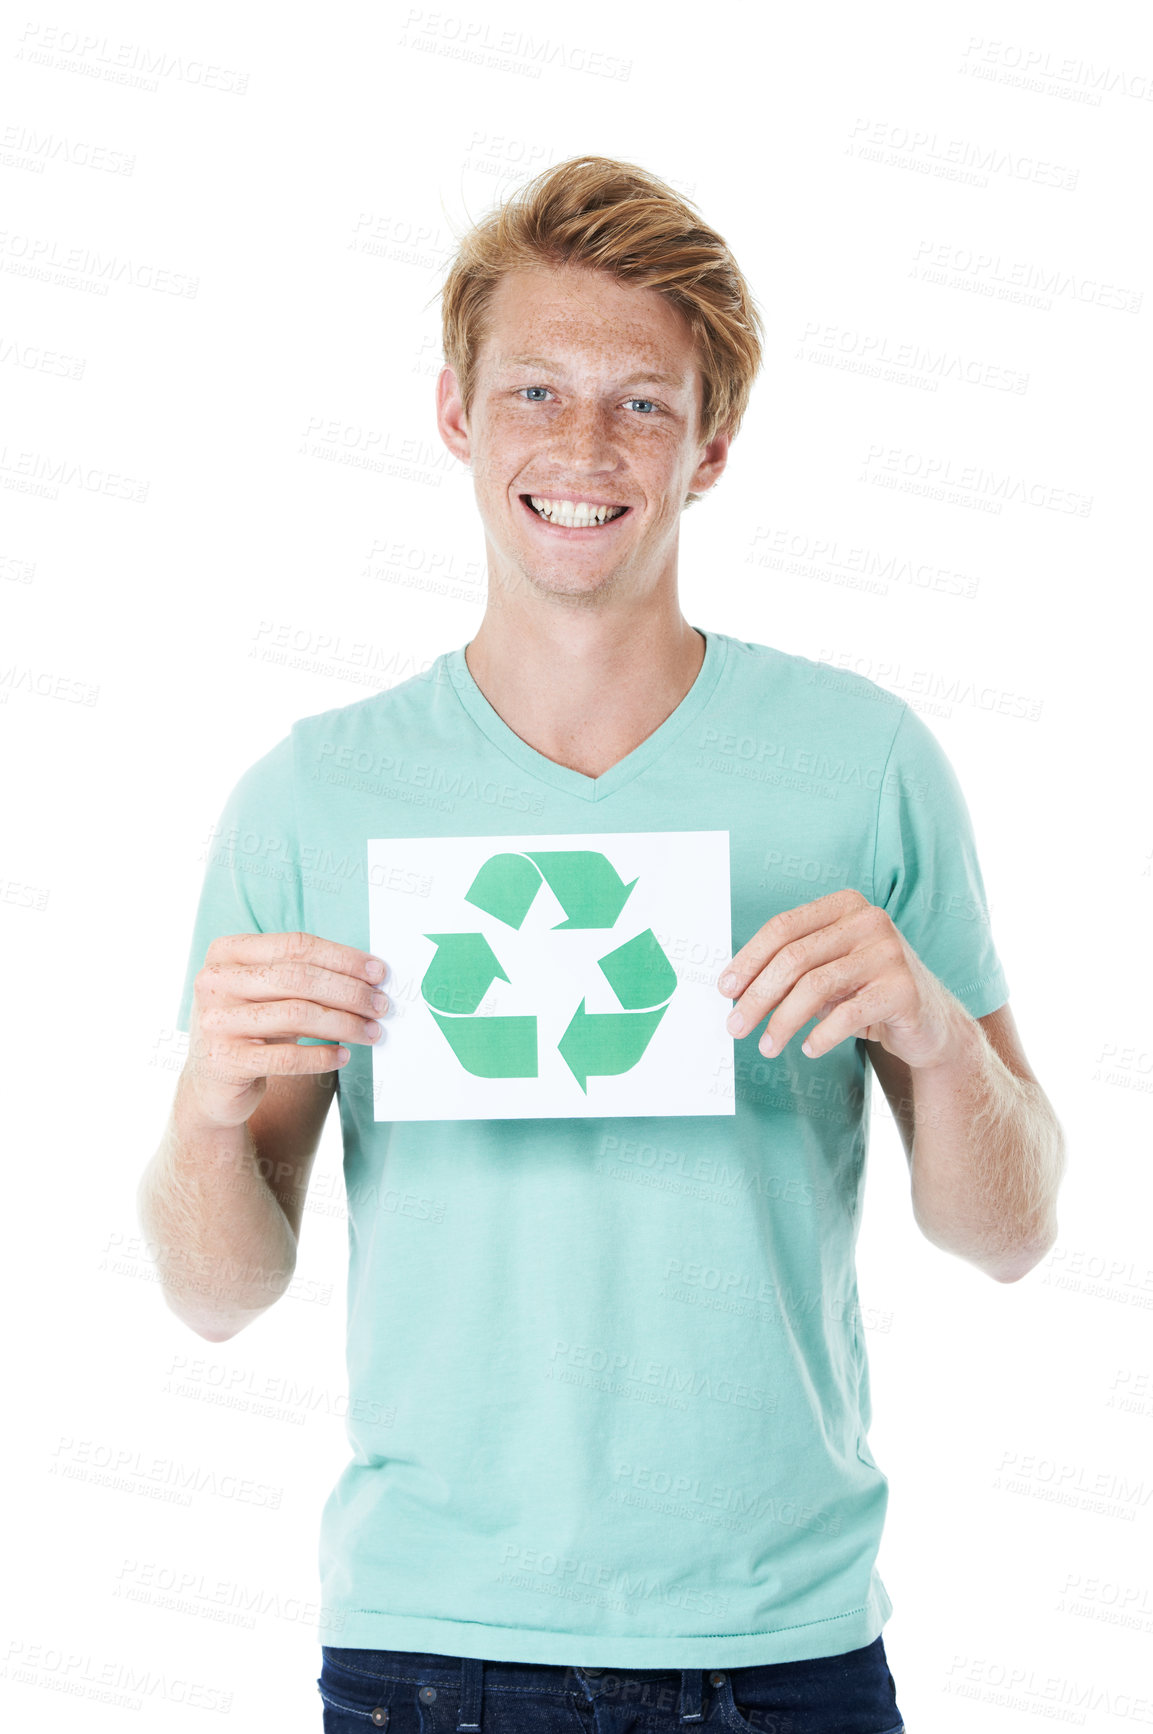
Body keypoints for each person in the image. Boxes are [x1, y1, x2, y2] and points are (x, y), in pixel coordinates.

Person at [138, 156, 1066, 1734]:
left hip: (786, 1643)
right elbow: (219, 1290)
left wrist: (926, 1024)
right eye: (536, 391)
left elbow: (1011, 1230)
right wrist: (208, 1109)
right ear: (454, 413)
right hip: (434, 1647)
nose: (582, 446)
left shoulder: (863, 760)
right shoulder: (312, 793)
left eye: (642, 403)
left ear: (712, 447)